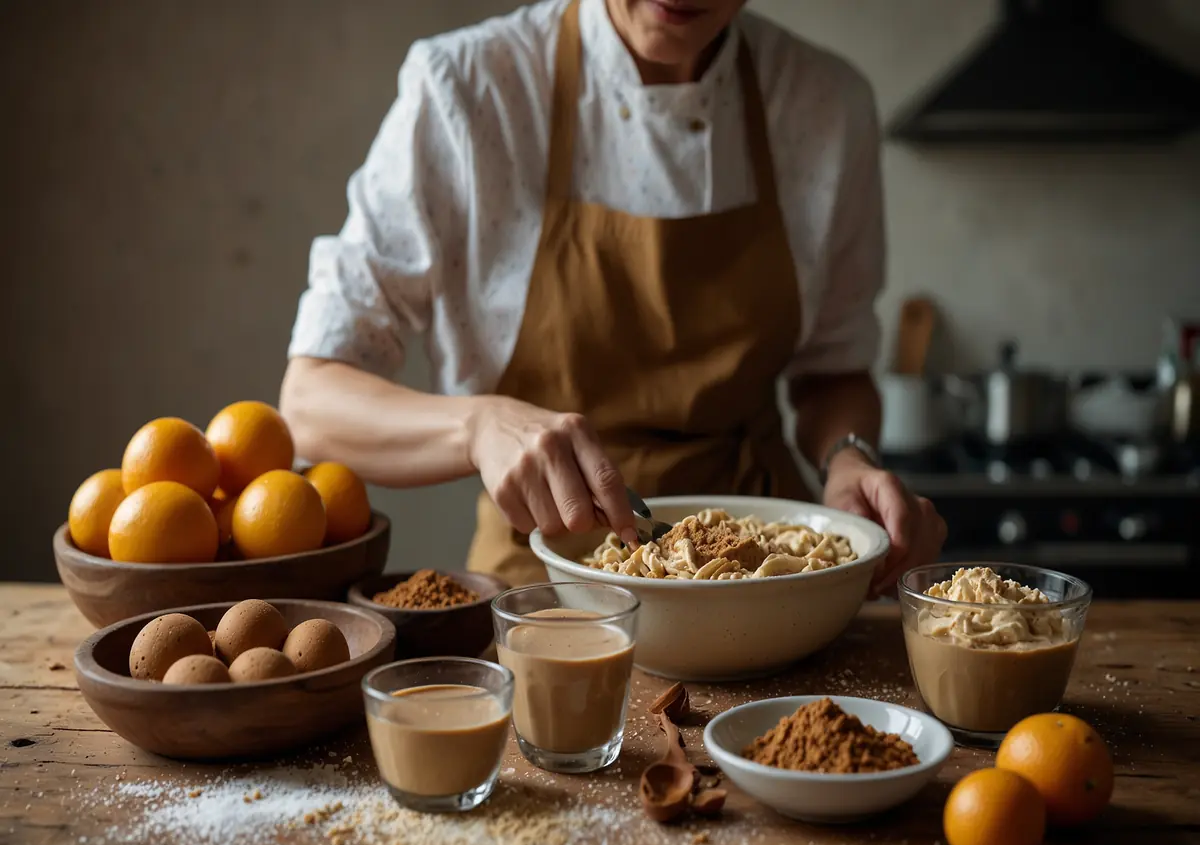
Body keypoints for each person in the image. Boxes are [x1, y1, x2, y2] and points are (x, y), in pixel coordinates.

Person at [280, 0, 946, 589]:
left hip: (766, 577)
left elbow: (833, 371)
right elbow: (312, 401)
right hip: (544, 584)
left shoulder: (824, 103)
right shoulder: (470, 90)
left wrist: (848, 457)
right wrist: (477, 426)